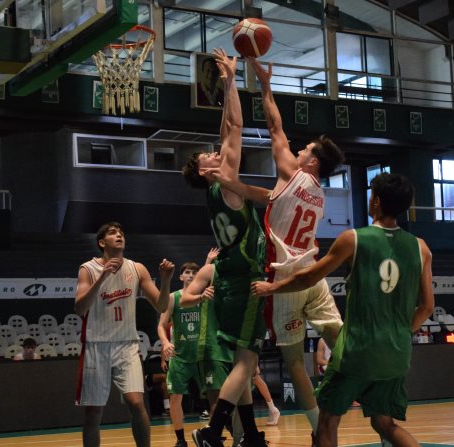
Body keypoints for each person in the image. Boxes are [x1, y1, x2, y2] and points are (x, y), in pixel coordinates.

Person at [206, 57, 345, 444]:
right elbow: (268, 197)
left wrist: (265, 84)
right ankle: (362, 386)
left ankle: (318, 430)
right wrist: (236, 185)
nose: (297, 150)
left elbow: (274, 127)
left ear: (311, 161)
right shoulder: (320, 195)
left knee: (295, 364)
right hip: (313, 274)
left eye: (305, 149)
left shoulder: (292, 173)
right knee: (341, 340)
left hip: (284, 281)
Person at [252, 172, 435, 447]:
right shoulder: (421, 248)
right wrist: (400, 332)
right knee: (384, 423)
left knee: (327, 421)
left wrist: (273, 288)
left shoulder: (353, 239)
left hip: (358, 350)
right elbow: (427, 307)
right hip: (397, 351)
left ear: (376, 202)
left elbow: (309, 277)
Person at [181, 48, 268, 447]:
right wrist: (231, 81)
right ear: (206, 171)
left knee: (240, 363)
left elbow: (224, 132)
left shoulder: (215, 193)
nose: (216, 153)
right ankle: (213, 432)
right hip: (246, 281)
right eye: (209, 156)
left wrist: (225, 90)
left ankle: (250, 435)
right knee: (247, 362)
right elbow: (235, 126)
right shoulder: (225, 181)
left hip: (231, 281)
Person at [74, 221, 175, 447]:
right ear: (102, 243)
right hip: (96, 344)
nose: (119, 235)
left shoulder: (137, 268)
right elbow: (80, 308)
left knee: (137, 403)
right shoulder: (87, 269)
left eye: (121, 232)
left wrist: (166, 280)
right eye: (113, 233)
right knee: (93, 412)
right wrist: (102, 277)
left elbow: (161, 305)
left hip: (127, 344)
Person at [158, 249, 218, 447]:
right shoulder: (174, 298)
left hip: (203, 354)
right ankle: (180, 439)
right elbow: (161, 325)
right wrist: (165, 342)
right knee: (176, 397)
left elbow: (209, 278)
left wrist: (208, 261)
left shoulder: (205, 295)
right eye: (187, 272)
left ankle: (213, 434)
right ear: (181, 276)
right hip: (180, 355)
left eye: (195, 272)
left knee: (214, 396)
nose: (191, 275)